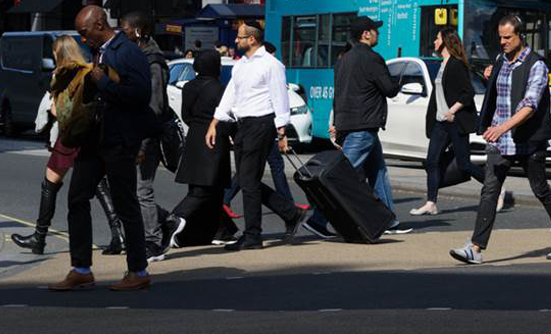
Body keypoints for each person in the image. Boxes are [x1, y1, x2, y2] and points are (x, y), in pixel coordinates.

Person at [450, 15, 551, 264]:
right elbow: (501, 90)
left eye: (508, 37)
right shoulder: (500, 60)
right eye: (501, 37)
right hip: (501, 141)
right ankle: (476, 248)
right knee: (490, 190)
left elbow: (530, 105)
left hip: (527, 139)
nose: (503, 42)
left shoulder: (536, 65)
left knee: (540, 188)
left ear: (520, 36)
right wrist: (490, 76)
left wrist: (502, 127)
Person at [51, 6, 152, 292]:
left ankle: (138, 270)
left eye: (84, 33)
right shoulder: (99, 52)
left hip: (119, 139)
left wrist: (103, 83)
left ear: (98, 24)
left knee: (126, 204)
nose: (82, 40)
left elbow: (141, 95)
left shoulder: (127, 51)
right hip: (95, 138)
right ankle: (81, 268)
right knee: (77, 197)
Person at [11, 36, 125, 256]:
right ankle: (118, 235)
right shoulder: (89, 70)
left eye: (54, 53)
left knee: (50, 184)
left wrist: (51, 108)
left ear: (59, 54)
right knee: (100, 185)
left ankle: (39, 237)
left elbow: (59, 111)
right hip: (90, 135)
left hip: (70, 135)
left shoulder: (62, 75)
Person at [302, 16, 411, 238]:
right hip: (364, 126)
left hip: (350, 124)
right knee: (339, 177)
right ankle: (317, 220)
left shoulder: (343, 59)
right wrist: (399, 81)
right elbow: (389, 89)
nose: (378, 33)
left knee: (378, 172)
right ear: (366, 34)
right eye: (375, 30)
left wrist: (336, 124)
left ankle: (388, 219)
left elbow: (340, 93)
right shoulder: (372, 59)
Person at [207, 22, 307, 251]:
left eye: (240, 37)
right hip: (242, 125)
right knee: (245, 179)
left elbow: (279, 95)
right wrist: (216, 121)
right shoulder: (241, 65)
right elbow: (231, 93)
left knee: (249, 182)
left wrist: (282, 129)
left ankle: (253, 236)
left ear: (252, 39)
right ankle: (291, 214)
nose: (235, 41)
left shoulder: (272, 65)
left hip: (261, 124)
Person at [410, 28, 484, 216]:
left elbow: (468, 92)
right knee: (431, 161)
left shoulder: (456, 64)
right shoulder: (442, 64)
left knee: (464, 163)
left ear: (445, 41)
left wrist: (452, 111)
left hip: (455, 121)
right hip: (440, 123)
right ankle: (431, 202)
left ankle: (495, 188)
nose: (434, 41)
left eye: (437, 38)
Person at [167, 49, 236, 248]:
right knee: (204, 191)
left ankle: (219, 231)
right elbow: (226, 117)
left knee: (210, 192)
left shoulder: (188, 87)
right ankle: (173, 220)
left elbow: (186, 115)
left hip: (194, 138)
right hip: (213, 140)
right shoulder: (220, 89)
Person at [119, 11, 172, 263]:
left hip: (146, 136)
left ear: (138, 31)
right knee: (132, 188)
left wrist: (141, 141)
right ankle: (168, 221)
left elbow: (154, 105)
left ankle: (153, 240)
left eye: (126, 29)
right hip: (134, 133)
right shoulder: (139, 56)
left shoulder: (153, 61)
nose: (122, 32)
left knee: (143, 189)